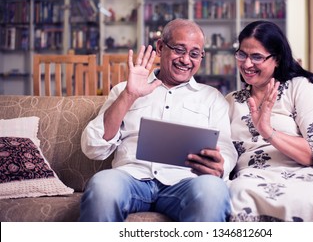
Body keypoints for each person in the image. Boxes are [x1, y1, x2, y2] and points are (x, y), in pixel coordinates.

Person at [80, 19, 237, 222]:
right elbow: (93, 148)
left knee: (212, 190)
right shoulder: (124, 90)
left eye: (194, 54)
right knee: (102, 185)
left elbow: (225, 149)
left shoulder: (212, 98)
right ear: (161, 47)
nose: (186, 60)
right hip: (131, 177)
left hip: (186, 182)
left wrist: (220, 165)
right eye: (179, 50)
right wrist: (129, 95)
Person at [225, 20, 313, 222]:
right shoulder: (232, 101)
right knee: (237, 196)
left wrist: (268, 132)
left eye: (257, 57)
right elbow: (224, 152)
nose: (247, 64)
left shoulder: (299, 88)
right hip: (251, 178)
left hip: (306, 174)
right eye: (242, 54)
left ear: (276, 59)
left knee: (309, 200)